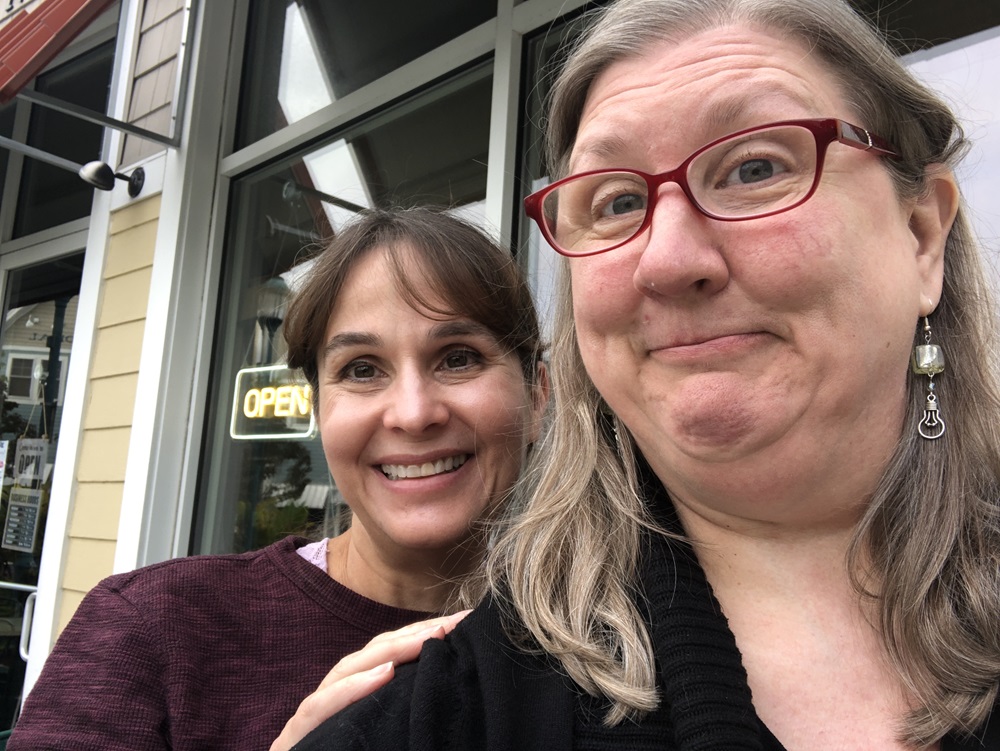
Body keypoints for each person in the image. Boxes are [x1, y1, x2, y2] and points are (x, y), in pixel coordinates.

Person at [292, 1, 1000, 750]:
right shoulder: (438, 718)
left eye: (754, 167)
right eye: (619, 202)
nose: (666, 258)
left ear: (923, 236)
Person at [8, 207, 548, 751]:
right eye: (362, 369)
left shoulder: (602, 649)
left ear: (540, 395)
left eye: (458, 358)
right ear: (319, 410)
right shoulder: (149, 628)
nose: (412, 413)